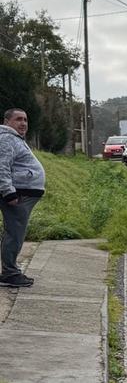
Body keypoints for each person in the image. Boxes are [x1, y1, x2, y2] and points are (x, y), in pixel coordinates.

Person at [0, 109, 45, 288]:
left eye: (25, 120)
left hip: (22, 192)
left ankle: (10, 271)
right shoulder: (6, 139)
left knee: (15, 233)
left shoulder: (15, 139)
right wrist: (8, 192)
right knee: (15, 234)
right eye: (18, 119)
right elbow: (2, 166)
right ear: (7, 121)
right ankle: (10, 273)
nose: (23, 123)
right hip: (17, 194)